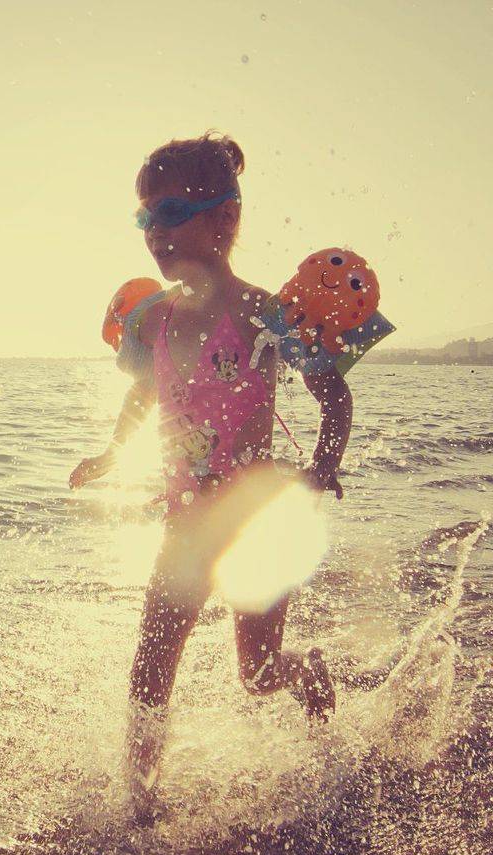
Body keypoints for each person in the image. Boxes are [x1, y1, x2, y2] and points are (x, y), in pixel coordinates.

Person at [67, 132, 350, 805]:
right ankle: (140, 809)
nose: (154, 233)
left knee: (257, 675)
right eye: (144, 217)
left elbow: (333, 392)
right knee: (149, 673)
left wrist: (322, 465)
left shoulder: (262, 313)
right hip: (186, 524)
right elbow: (144, 393)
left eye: (170, 214)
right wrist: (112, 454)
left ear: (224, 218)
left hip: (258, 525)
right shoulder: (153, 320)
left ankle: (307, 672)